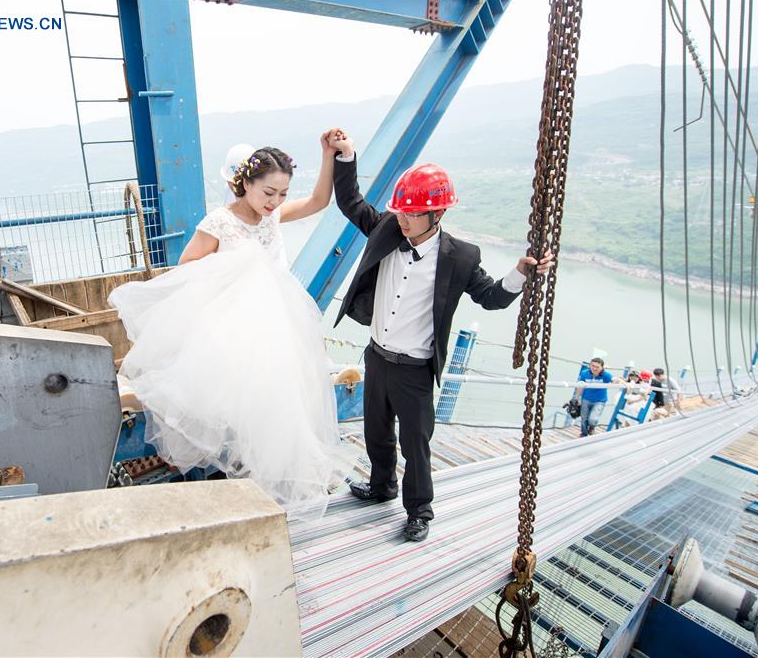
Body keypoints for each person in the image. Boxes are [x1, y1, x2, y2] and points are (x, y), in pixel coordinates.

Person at [328, 129, 554, 542]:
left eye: (411, 214)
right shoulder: (386, 228)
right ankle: (381, 487)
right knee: (376, 432)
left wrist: (520, 273)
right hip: (377, 356)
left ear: (438, 215)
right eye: (400, 212)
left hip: (414, 369)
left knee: (417, 445)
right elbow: (350, 202)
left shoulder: (461, 257)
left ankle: (419, 511)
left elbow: (490, 297)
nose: (402, 219)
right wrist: (346, 156)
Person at [109, 131, 346, 521]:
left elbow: (320, 201)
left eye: (282, 194)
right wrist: (234, 275)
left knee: (277, 413)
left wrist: (327, 156)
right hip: (232, 335)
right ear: (246, 183)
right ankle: (229, 502)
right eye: (268, 192)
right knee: (233, 419)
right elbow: (187, 270)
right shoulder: (219, 223)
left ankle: (268, 499)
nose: (275, 203)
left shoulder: (273, 219)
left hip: (277, 331)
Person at [573, 357, 613, 437]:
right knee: (584, 418)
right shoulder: (585, 373)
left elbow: (614, 379)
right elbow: (580, 386)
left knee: (593, 419)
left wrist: (625, 383)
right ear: (590, 366)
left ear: (602, 368)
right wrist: (576, 398)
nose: (594, 368)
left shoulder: (605, 375)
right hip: (586, 399)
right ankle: (584, 433)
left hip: (599, 401)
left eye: (597, 367)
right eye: (592, 366)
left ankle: (592, 427)